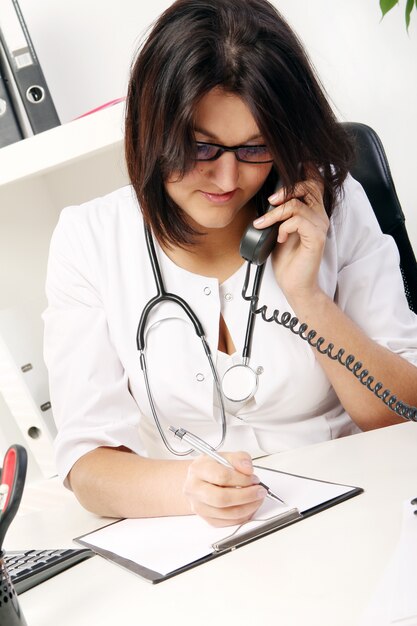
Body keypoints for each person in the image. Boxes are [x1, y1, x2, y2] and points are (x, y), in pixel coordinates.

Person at [43, 0, 417, 528]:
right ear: (152, 129)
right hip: (200, 538)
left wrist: (307, 297)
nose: (225, 180)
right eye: (201, 148)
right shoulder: (89, 239)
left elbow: (403, 415)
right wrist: (189, 488)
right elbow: (86, 463)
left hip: (360, 511)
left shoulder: (332, 203)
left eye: (255, 148)